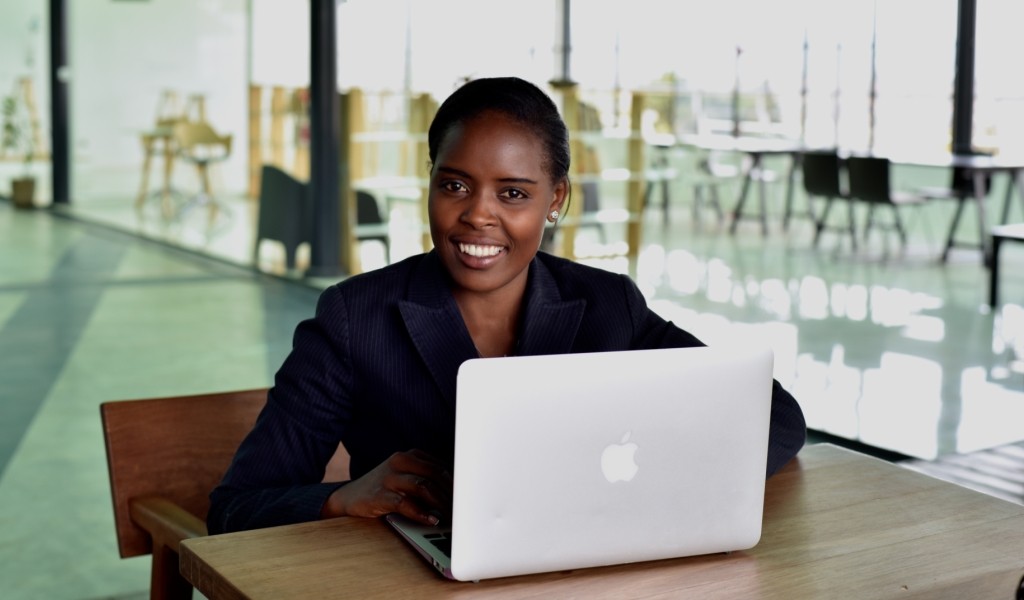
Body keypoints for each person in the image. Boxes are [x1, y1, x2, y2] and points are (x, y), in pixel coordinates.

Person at [208, 77, 805, 535]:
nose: (477, 214)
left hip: (587, 564)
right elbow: (234, 508)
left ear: (556, 199)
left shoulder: (606, 304)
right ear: (431, 182)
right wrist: (341, 496)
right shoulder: (352, 318)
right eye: (454, 185)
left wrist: (662, 487)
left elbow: (776, 417)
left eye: (513, 193)